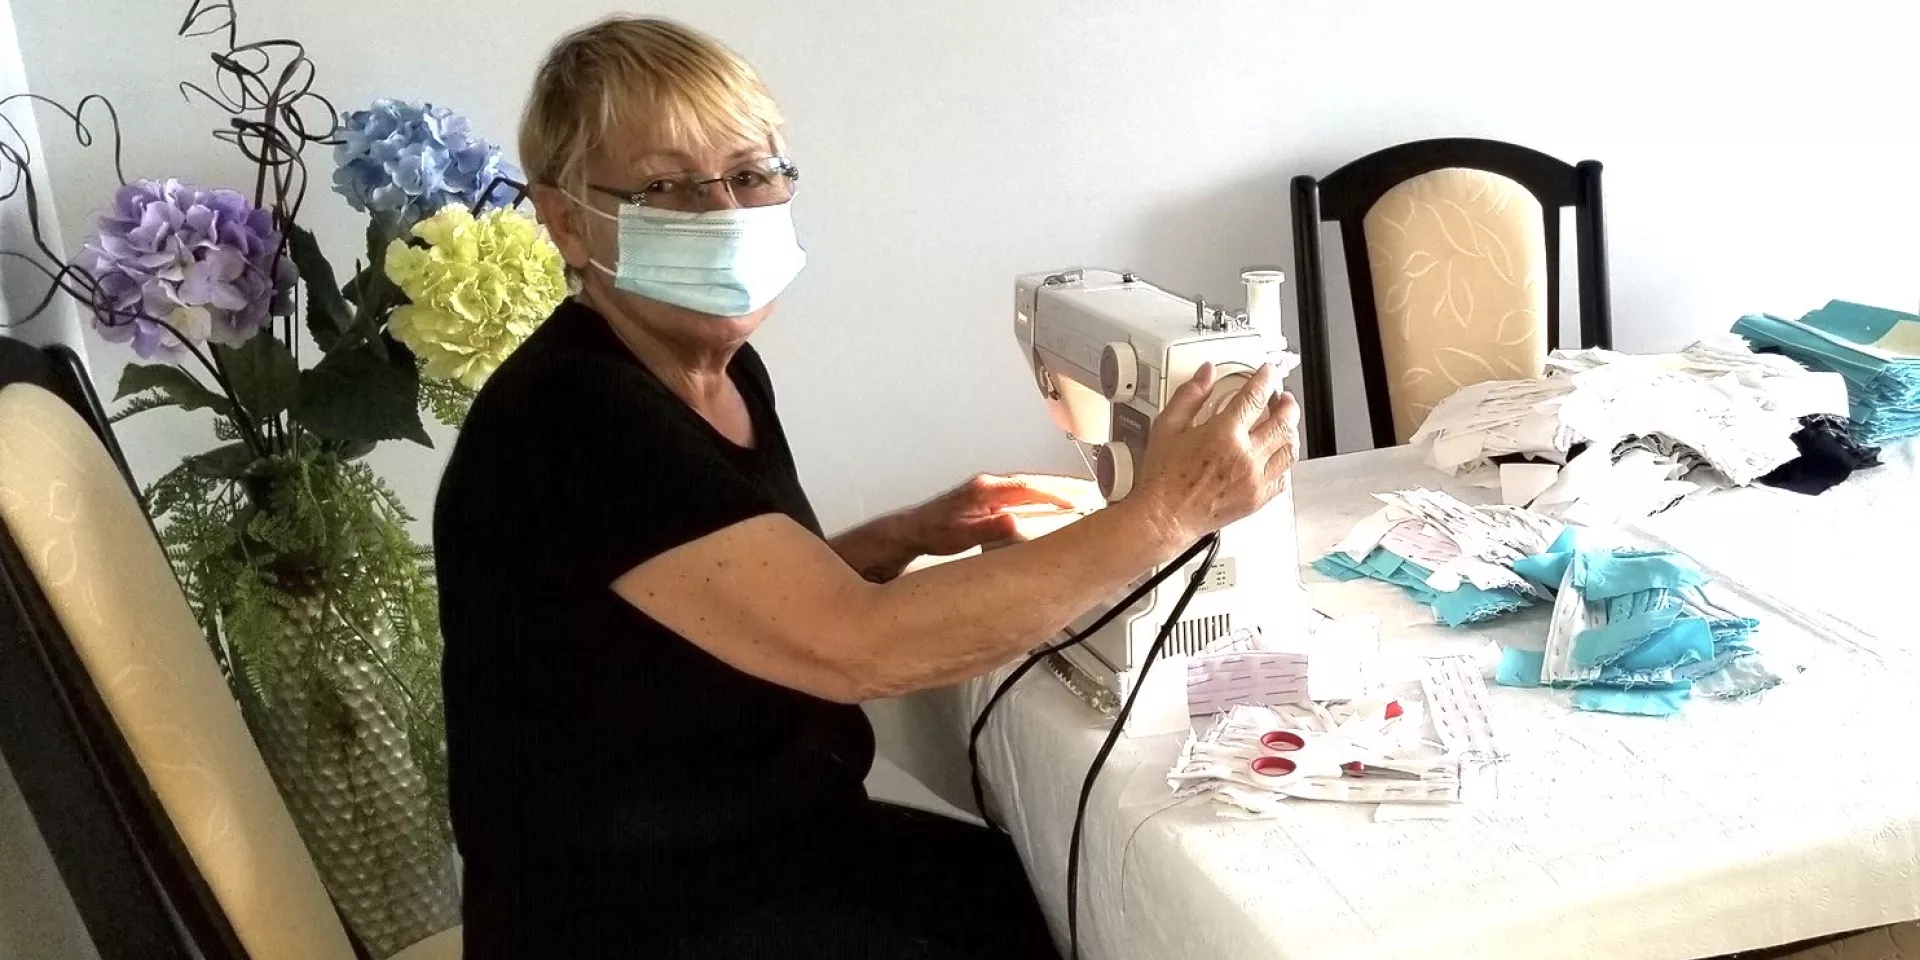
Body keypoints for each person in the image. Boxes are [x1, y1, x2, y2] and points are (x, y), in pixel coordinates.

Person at [434, 15, 1300, 960]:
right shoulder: (577, 418)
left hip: (753, 845)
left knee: (1055, 887)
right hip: (639, 911)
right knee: (1077, 906)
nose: (723, 208)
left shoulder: (711, 370)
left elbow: (703, 602)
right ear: (565, 217)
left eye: (752, 172)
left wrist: (904, 535)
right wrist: (1166, 512)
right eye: (667, 186)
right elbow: (865, 651)